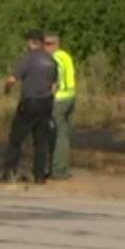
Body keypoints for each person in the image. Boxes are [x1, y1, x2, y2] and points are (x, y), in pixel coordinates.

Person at [1, 29, 58, 184]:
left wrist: (6, 88)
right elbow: (54, 85)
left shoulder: (28, 59)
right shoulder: (51, 61)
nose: (26, 44)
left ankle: (9, 172)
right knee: (41, 141)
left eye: (28, 41)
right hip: (46, 103)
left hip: (30, 102)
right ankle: (39, 176)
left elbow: (12, 79)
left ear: (33, 42)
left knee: (16, 138)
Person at [45, 33, 77, 180]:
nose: (45, 47)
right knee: (63, 135)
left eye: (48, 44)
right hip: (70, 97)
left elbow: (54, 82)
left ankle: (56, 169)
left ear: (56, 44)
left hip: (58, 100)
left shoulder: (54, 59)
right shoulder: (66, 56)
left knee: (55, 135)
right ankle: (62, 168)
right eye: (44, 44)